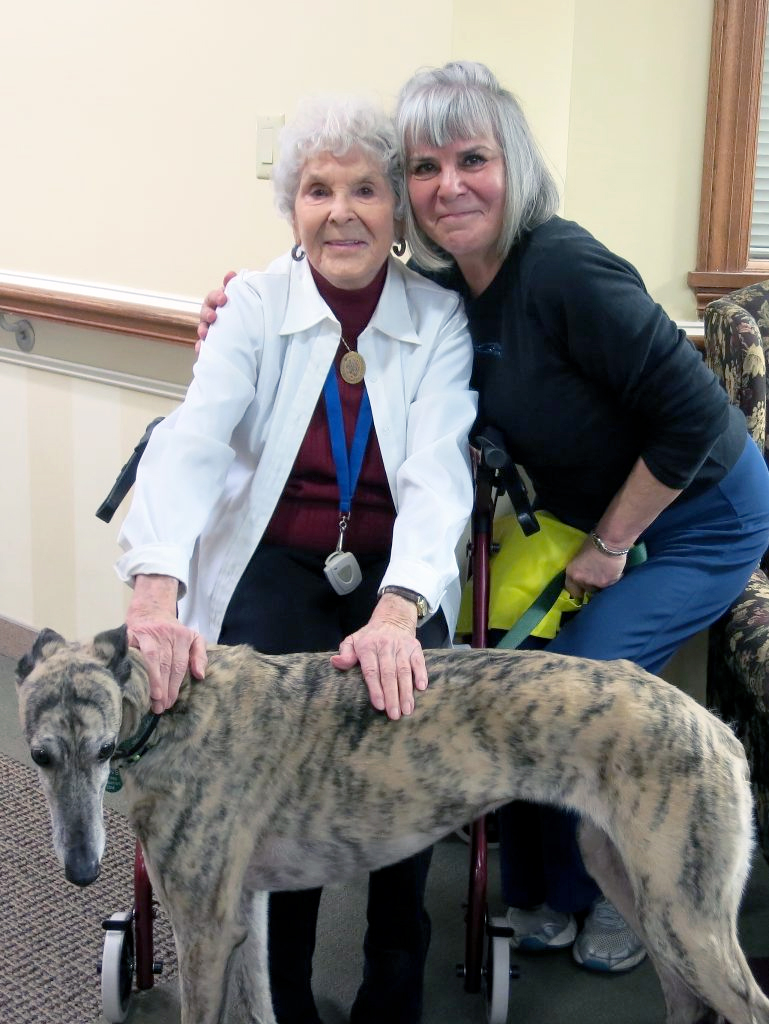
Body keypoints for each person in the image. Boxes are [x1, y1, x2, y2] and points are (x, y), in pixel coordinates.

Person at [200, 61, 769, 977]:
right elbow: (342, 289)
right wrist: (238, 302)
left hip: (696, 513)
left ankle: (624, 897)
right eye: (425, 167)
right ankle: (541, 891)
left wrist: (611, 545)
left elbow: (700, 422)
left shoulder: (564, 266)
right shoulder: (454, 277)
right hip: (595, 513)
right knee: (518, 672)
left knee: (580, 683)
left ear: (516, 166)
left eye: (474, 158)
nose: (448, 185)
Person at [117, 95, 477, 1024]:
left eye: (365, 188)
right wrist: (154, 592)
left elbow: (440, 476)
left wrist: (398, 613)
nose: (341, 211)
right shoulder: (251, 305)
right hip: (273, 566)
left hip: (393, 574)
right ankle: (280, 999)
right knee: (271, 778)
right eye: (318, 189)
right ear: (292, 208)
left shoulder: (436, 317)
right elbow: (193, 441)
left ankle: (391, 993)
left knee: (405, 766)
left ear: (398, 209)